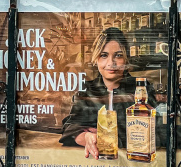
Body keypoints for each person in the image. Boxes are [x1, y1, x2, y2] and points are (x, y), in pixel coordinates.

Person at [59, 27, 159, 159]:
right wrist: (87, 136)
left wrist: (107, 136)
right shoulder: (87, 91)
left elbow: (157, 133)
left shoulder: (141, 89)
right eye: (104, 55)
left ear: (126, 59)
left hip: (137, 165)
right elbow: (70, 127)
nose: (111, 63)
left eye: (118, 55)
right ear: (96, 59)